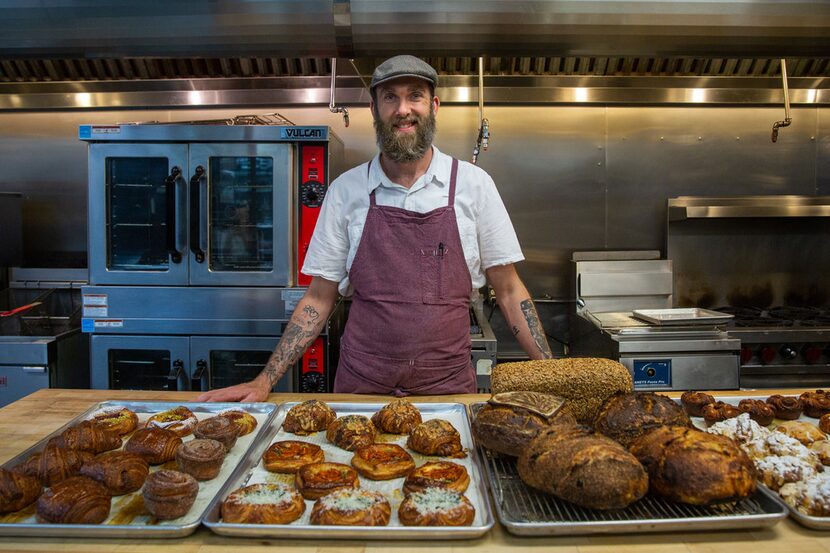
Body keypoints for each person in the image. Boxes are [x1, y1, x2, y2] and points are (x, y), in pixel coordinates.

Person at [197, 55, 551, 402]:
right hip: (361, 390)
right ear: (374, 108)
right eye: (390, 97)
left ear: (434, 105)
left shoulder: (475, 185)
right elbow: (320, 297)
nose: (403, 109)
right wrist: (264, 382)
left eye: (415, 95)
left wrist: (554, 376)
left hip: (447, 392)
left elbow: (507, 290)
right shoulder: (346, 191)